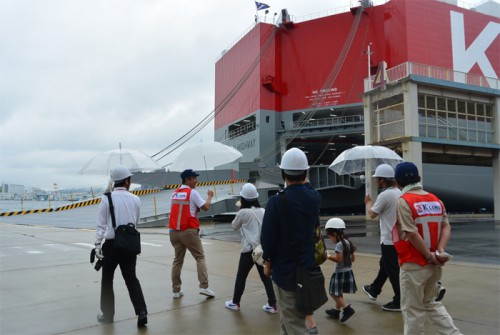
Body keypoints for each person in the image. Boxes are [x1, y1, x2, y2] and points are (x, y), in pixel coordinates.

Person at [393, 162, 462, 335]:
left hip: (414, 263)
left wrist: (428, 255)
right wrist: (439, 251)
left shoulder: (404, 201)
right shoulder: (435, 199)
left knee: (413, 310)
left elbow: (411, 233)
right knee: (431, 303)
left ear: (397, 181)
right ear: (419, 178)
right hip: (435, 263)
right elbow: (446, 227)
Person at [261, 147, 322, 335]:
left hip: (286, 272)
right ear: (306, 172)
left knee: (294, 325)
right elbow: (308, 189)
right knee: (287, 322)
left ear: (282, 173)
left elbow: (268, 238)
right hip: (307, 269)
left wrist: (267, 262)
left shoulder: (276, 202)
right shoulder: (314, 198)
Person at [94, 166, 148, 327]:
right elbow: (136, 222)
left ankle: (108, 315)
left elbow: (101, 225)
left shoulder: (106, 199)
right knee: (131, 279)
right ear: (126, 181)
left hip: (111, 245)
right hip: (129, 244)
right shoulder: (135, 199)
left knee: (107, 280)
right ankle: (142, 312)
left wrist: (97, 244)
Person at [224, 183, 277, 313]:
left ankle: (235, 302)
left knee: (241, 276)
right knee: (265, 277)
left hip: (248, 250)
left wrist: (239, 211)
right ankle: (272, 304)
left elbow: (234, 226)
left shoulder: (243, 212)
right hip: (261, 250)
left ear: (242, 198)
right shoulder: (263, 211)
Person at [169, 169, 215, 299]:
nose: (196, 181)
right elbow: (205, 207)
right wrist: (210, 196)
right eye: (194, 178)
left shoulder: (174, 193)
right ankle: (204, 287)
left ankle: (176, 290)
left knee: (177, 261)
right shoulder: (192, 192)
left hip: (173, 232)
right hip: (188, 231)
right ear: (187, 180)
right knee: (199, 257)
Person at [362, 164, 402, 312]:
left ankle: (399, 300)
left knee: (392, 270)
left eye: (377, 178)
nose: (376, 181)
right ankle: (374, 289)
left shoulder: (385, 195)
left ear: (382, 180)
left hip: (389, 238)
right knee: (385, 264)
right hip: (399, 238)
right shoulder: (399, 192)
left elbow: (372, 214)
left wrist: (368, 202)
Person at [323, 218, 357, 323]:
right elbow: (353, 259)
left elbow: (338, 259)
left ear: (334, 233)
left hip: (339, 273)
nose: (330, 239)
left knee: (333, 292)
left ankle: (347, 309)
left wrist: (327, 256)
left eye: (329, 236)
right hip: (348, 271)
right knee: (339, 292)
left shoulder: (339, 245)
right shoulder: (348, 242)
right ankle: (336, 311)